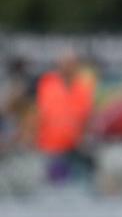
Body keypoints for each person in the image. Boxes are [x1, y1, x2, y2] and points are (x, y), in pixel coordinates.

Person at [35, 49, 95, 182]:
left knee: (78, 187)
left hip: (76, 148)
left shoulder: (84, 86)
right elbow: (37, 113)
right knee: (54, 186)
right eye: (65, 63)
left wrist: (86, 137)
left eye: (72, 63)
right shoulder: (46, 83)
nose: (68, 67)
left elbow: (88, 116)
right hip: (51, 147)